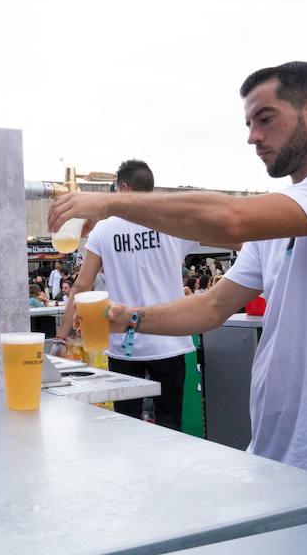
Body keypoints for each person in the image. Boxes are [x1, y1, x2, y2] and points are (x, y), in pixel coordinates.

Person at [47, 61, 307, 506]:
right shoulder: (282, 218)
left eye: (265, 119)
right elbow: (214, 306)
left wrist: (111, 205)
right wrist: (130, 318)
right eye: (248, 124)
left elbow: (229, 218)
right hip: (276, 463)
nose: (252, 137)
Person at [53, 160, 235, 429]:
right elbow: (230, 238)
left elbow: (82, 287)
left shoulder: (104, 229)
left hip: (123, 344)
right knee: (170, 424)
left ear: (123, 188)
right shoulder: (172, 222)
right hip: (170, 340)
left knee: (126, 427)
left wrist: (61, 337)